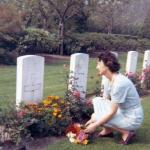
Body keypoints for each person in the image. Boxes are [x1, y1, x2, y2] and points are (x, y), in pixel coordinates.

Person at [84, 51, 144, 145]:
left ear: (107, 65)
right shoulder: (109, 78)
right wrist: (92, 120)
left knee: (96, 117)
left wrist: (95, 124)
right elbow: (105, 99)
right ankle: (108, 131)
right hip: (124, 111)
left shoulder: (119, 83)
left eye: (99, 64)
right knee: (97, 101)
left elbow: (112, 112)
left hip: (132, 118)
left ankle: (126, 133)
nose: (96, 67)